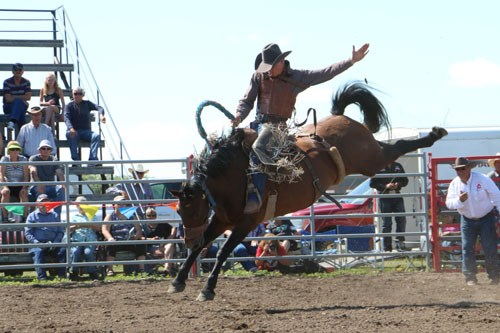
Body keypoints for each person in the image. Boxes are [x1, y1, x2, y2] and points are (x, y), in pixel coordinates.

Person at [231, 42, 369, 165]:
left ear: (281, 62)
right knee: (232, 145)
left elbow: (325, 73)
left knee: (259, 147)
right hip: (258, 125)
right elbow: (247, 101)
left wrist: (351, 61)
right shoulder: (258, 77)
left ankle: (278, 168)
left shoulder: (297, 77)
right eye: (266, 67)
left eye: (271, 67)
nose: (269, 71)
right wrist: (239, 115)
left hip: (277, 129)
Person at [445, 157, 500, 286]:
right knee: (467, 248)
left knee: (489, 247)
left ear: (469, 168)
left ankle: (494, 277)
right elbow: (449, 203)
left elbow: (497, 196)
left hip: (485, 217)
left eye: (462, 168)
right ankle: (470, 277)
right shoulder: (455, 184)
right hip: (467, 219)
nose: (460, 171)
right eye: (457, 169)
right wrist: (459, 201)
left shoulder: (482, 179)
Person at [101, 195, 146, 276]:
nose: (123, 205)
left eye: (124, 204)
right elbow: (104, 229)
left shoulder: (131, 216)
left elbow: (138, 229)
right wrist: (110, 238)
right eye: (120, 204)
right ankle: (110, 269)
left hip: (130, 240)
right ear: (114, 205)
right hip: (116, 240)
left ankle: (142, 269)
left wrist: (136, 237)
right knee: (110, 246)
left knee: (141, 244)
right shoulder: (110, 216)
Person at [24, 194, 65, 281]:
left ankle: (62, 276)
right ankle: (42, 277)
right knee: (38, 252)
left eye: (46, 201)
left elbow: (60, 231)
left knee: (63, 250)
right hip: (38, 244)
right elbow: (28, 233)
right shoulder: (32, 216)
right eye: (41, 202)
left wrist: (55, 242)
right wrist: (37, 243)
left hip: (53, 243)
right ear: (37, 203)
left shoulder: (55, 215)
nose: (44, 204)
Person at [370, 161, 409, 252]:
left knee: (401, 220)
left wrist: (398, 184)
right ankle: (387, 247)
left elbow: (405, 180)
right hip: (384, 196)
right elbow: (372, 183)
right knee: (387, 223)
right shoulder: (378, 166)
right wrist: (385, 186)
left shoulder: (397, 166)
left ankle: (400, 244)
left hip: (396, 195)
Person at [64, 86, 106, 162]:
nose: (77, 95)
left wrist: (101, 115)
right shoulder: (69, 106)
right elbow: (66, 118)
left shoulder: (87, 103)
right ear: (73, 95)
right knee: (70, 134)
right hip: (74, 131)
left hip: (85, 131)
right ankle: (76, 161)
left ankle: (92, 160)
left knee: (96, 136)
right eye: (75, 94)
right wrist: (71, 128)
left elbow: (100, 108)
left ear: (83, 95)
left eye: (79, 94)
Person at [67, 196, 101, 281]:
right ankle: (74, 272)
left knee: (88, 252)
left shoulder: (93, 216)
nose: (82, 207)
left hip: (90, 240)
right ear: (77, 206)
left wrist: (90, 225)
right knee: (75, 252)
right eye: (80, 205)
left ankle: (92, 273)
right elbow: (69, 229)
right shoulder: (74, 216)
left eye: (84, 205)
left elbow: (99, 228)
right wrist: (77, 226)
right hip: (77, 239)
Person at [28, 139, 65, 214]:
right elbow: (33, 172)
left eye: (48, 148)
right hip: (36, 186)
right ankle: (39, 217)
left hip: (50, 186)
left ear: (51, 150)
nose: (46, 150)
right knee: (40, 190)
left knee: (61, 189)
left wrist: (63, 185)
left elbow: (59, 173)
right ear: (39, 150)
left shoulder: (53, 159)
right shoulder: (33, 158)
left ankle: (56, 217)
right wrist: (39, 184)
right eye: (43, 148)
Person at [141, 207, 178, 276]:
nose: (151, 217)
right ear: (146, 216)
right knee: (168, 251)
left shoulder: (162, 224)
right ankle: (168, 269)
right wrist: (151, 239)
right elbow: (140, 237)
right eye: (149, 215)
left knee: (170, 245)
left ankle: (166, 269)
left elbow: (174, 226)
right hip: (150, 248)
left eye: (153, 215)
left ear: (156, 216)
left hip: (164, 246)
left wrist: (171, 236)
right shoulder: (143, 226)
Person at [0, 141, 29, 222]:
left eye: (17, 149)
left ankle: (24, 217)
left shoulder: (23, 159)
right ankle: (5, 218)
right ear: (9, 151)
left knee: (24, 193)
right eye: (12, 149)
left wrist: (24, 187)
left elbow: (26, 176)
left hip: (20, 184)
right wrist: (5, 187)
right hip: (8, 184)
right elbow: (1, 175)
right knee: (5, 193)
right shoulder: (4, 159)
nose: (15, 151)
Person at [2, 63, 32, 131]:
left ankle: (12, 122)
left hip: (21, 106)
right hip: (9, 107)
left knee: (19, 104)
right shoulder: (7, 82)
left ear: (23, 71)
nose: (18, 71)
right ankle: (23, 131)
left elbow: (28, 97)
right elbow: (8, 99)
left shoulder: (26, 82)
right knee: (19, 105)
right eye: (16, 70)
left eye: (20, 70)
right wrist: (21, 98)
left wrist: (13, 96)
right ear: (12, 71)